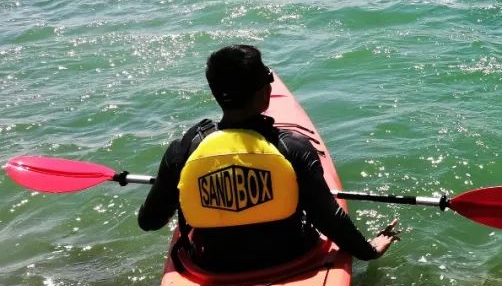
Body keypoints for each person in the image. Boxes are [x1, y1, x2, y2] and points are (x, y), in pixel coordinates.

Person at [138, 45, 399, 272]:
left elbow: (149, 222)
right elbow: (328, 219)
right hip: (291, 256)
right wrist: (369, 250)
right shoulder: (291, 147)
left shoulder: (185, 149)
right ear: (264, 92)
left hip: (212, 263)